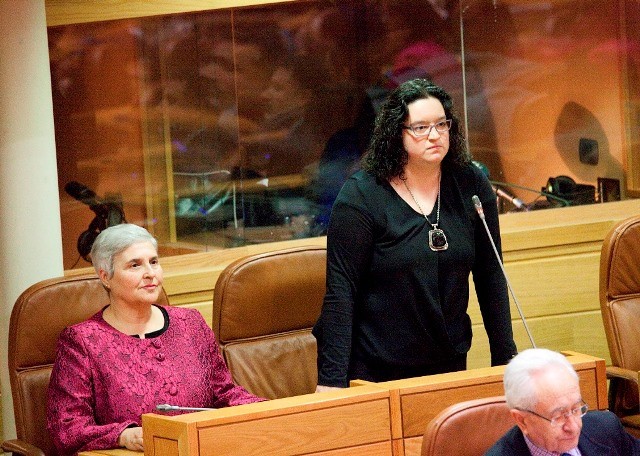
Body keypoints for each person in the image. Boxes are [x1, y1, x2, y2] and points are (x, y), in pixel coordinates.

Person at [312, 78, 517, 390]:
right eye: (420, 128)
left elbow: (491, 278)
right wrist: (331, 383)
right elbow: (341, 294)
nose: (434, 135)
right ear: (397, 133)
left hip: (448, 363)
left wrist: (506, 361)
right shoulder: (362, 196)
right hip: (374, 370)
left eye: (441, 124)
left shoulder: (470, 184)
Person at [47, 224, 263, 455]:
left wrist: (271, 410)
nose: (150, 273)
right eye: (135, 265)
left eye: (154, 262)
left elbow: (224, 393)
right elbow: (66, 427)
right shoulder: (83, 340)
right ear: (105, 276)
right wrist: (123, 435)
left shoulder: (190, 323)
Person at [486, 348, 640, 455]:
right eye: (558, 416)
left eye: (576, 409)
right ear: (522, 421)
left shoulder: (606, 428)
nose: (573, 427)